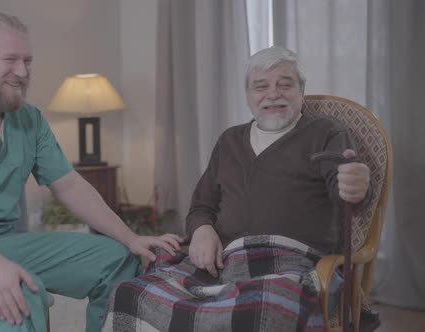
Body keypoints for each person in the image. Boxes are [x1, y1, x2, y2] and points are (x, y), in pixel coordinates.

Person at [0, 11, 182, 332]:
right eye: (11, 59)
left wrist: (130, 238)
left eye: (28, 61)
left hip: (2, 241)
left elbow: (70, 186)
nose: (22, 72)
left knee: (118, 260)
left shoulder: (28, 119)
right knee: (20, 293)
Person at [103, 46, 371, 331]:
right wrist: (203, 231)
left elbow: (347, 196)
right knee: (131, 293)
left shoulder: (327, 133)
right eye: (261, 86)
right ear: (248, 96)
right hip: (221, 263)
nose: (273, 94)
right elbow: (201, 206)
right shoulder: (230, 140)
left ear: (301, 92)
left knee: (264, 310)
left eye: (285, 84)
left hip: (291, 265)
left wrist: (354, 185)